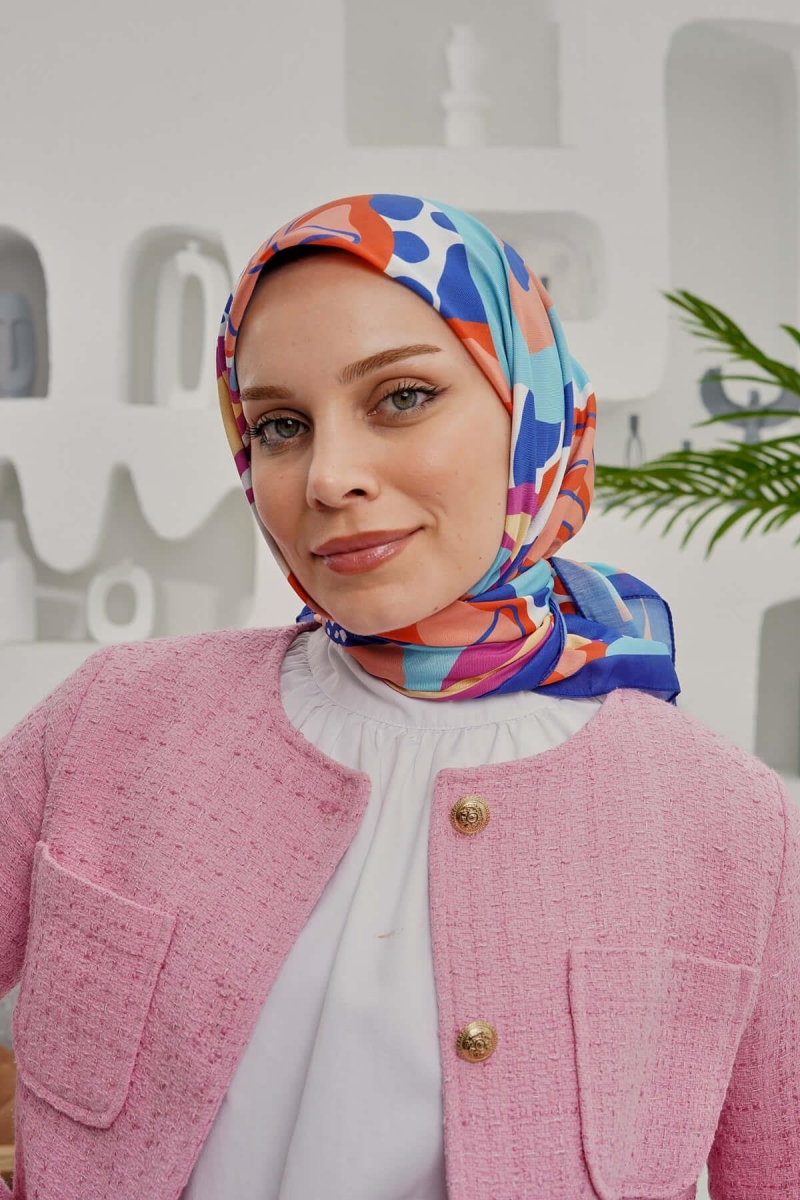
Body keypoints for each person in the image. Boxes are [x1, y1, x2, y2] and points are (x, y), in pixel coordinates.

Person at [0, 193, 797, 1200]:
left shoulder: (727, 822)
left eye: (402, 397)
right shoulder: (110, 721)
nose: (328, 477)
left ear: (530, 411)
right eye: (280, 425)